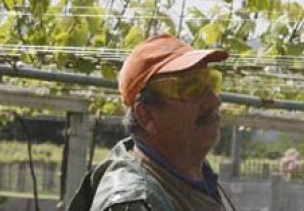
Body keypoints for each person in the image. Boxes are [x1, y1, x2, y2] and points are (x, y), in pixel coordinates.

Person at [68, 34, 236, 211]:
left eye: (212, 83)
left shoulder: (194, 177)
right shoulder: (133, 202)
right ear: (146, 115)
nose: (213, 101)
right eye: (190, 88)